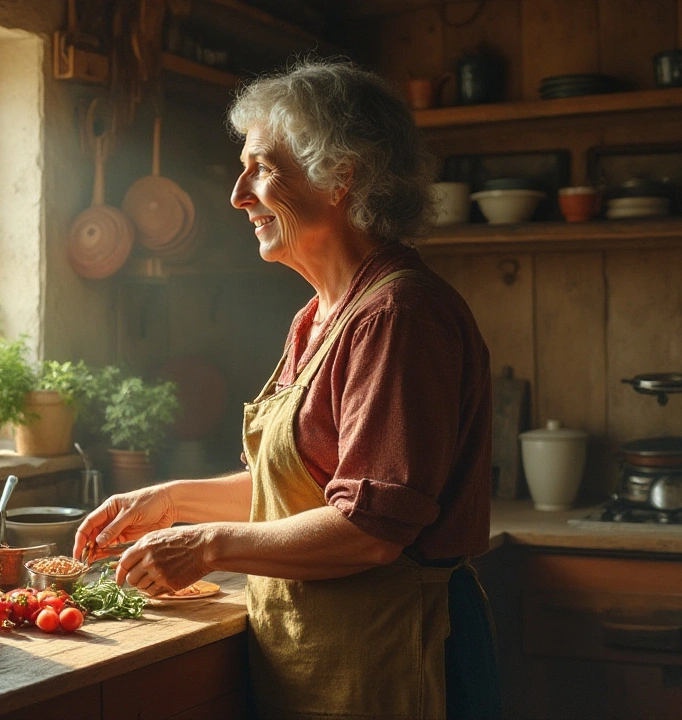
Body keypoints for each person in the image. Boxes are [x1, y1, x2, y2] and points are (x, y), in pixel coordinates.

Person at [73, 59, 500, 720]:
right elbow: (300, 493)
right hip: (326, 658)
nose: (239, 194)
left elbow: (368, 530)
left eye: (262, 168)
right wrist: (172, 501)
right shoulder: (318, 315)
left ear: (341, 176)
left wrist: (207, 544)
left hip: (399, 661)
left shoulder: (397, 317)